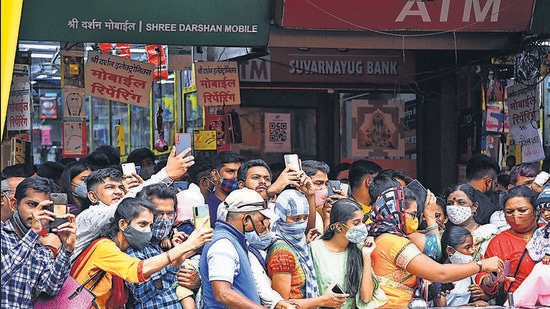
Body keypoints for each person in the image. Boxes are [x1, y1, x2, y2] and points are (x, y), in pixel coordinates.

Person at [368, 187, 503, 308]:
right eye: (413, 214)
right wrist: (481, 265)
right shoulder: (393, 242)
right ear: (398, 212)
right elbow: (440, 272)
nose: (416, 220)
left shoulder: (379, 237)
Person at [71, 197, 212, 309]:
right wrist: (186, 246)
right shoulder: (105, 247)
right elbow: (138, 270)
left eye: (150, 225)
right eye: (142, 224)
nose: (148, 231)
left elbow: (151, 289)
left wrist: (177, 260)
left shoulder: (123, 250)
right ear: (123, 224)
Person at [1, 176, 77, 308]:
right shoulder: (3, 235)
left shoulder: (41, 246)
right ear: (14, 204)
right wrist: (32, 235)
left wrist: (66, 249)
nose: (38, 213)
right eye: (32, 205)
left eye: (45, 208)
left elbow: (50, 287)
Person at [267, 189, 347, 308]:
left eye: (305, 218)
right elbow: (282, 305)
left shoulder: (298, 245)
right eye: (296, 219)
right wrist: (323, 300)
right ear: (282, 217)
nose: (301, 224)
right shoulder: (282, 254)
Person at [126, 183, 200, 309]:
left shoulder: (165, 246)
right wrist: (174, 262)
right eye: (159, 213)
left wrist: (195, 281)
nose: (165, 219)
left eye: (170, 213)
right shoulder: (134, 247)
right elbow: (142, 293)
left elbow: (180, 282)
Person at [199, 188, 275, 308]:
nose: (263, 226)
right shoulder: (223, 244)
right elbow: (222, 294)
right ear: (245, 219)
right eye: (261, 220)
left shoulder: (234, 241)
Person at [310, 198, 387, 309]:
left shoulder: (358, 249)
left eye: (362, 221)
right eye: (356, 223)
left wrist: (366, 256)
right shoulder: (315, 249)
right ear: (338, 226)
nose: (362, 226)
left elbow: (366, 298)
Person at [477, 185, 543, 305]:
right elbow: (486, 279)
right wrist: (492, 280)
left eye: (522, 210)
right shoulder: (499, 241)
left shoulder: (546, 233)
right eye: (509, 212)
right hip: (516, 303)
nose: (515, 216)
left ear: (536, 211)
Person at [434, 226, 489, 307]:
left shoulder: (469, 272)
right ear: (450, 251)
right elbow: (441, 307)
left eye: (472, 247)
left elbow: (475, 298)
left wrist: (482, 296)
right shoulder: (438, 275)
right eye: (467, 247)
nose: (472, 251)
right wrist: (471, 305)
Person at [444, 183, 498, 260]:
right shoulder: (444, 234)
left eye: (461, 202)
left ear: (474, 207)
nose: (454, 207)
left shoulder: (488, 234)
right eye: (450, 203)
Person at [205, 151, 244, 226]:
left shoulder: (245, 205)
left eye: (239, 172)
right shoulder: (205, 207)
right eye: (230, 171)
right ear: (215, 175)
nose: (236, 177)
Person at [237, 158, 303, 202]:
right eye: (256, 177)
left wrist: (310, 195)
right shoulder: (234, 201)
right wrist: (269, 192)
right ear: (241, 185)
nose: (263, 181)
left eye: (267, 179)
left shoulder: (276, 207)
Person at [465, 154, 500, 225]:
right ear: (488, 182)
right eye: (495, 184)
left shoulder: (450, 196)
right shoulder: (489, 205)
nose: (495, 188)